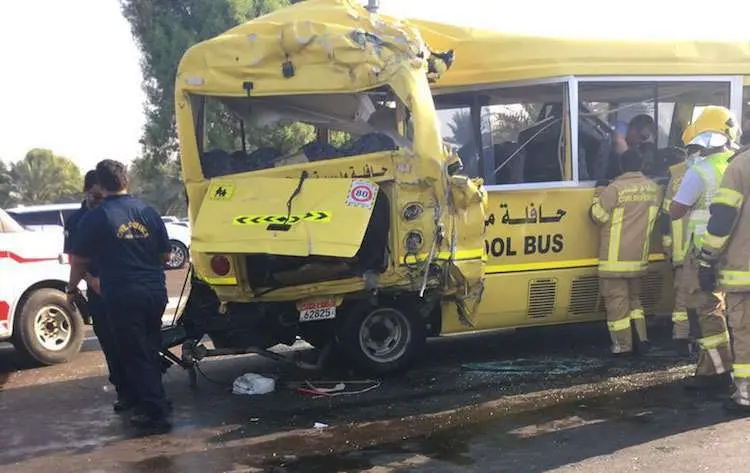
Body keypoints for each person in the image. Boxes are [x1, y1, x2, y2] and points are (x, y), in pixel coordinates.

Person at [67, 159, 173, 431]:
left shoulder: (97, 217)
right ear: (127, 181)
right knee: (149, 347)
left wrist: (71, 288)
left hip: (123, 294)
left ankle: (154, 410)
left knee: (134, 352)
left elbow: (78, 260)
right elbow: (166, 255)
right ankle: (157, 399)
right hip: (155, 292)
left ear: (101, 185)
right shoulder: (148, 211)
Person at [669, 105, 741, 391]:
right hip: (734, 249)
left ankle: (715, 370)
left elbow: (676, 211)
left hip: (703, 251)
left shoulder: (700, 170)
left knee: (706, 308)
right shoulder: (735, 164)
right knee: (731, 308)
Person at [64, 170, 136, 412]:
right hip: (99, 291)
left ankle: (145, 390)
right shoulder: (76, 221)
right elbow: (76, 259)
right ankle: (124, 392)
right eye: (95, 196)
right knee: (111, 344)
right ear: (86, 193)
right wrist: (88, 281)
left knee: (134, 342)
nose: (100, 201)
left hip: (126, 286)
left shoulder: (118, 213)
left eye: (103, 196)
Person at [590, 148, 662, 356]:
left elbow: (597, 216)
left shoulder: (614, 189)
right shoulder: (653, 188)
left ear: (621, 166)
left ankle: (623, 347)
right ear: (641, 165)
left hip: (614, 261)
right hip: (639, 259)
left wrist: (598, 194)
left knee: (616, 305)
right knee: (635, 301)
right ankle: (642, 339)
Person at [698, 142, 750, 413]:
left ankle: (746, 395)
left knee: (744, 331)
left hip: (745, 269)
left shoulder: (740, 166)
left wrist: (707, 258)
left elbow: (723, 218)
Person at [659, 123, 698, 356]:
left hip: (684, 250)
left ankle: (683, 338)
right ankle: (687, 338)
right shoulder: (717, 171)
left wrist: (667, 245)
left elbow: (667, 213)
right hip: (702, 249)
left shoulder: (676, 175)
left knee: (684, 296)